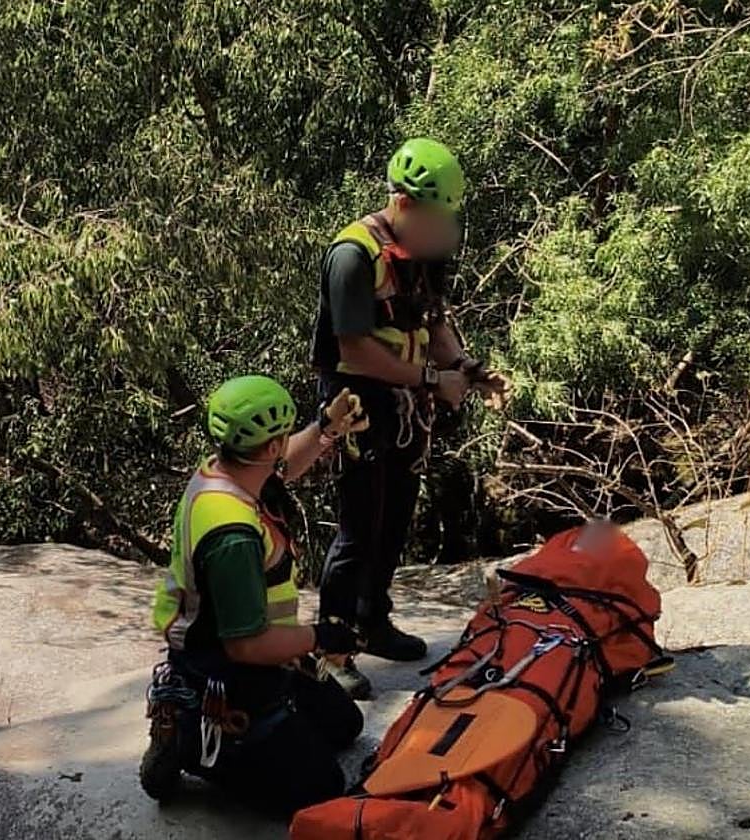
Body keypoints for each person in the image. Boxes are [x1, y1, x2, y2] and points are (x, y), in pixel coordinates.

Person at [310, 137, 507, 698]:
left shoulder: (419, 253)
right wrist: (429, 380)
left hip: (403, 408)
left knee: (395, 517)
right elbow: (352, 350)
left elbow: (433, 323)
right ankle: (332, 648)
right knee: (358, 526)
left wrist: (468, 369)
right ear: (405, 203)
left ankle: (373, 620)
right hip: (357, 406)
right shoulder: (354, 255)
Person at [143, 374, 371, 817]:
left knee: (345, 726)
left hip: (262, 658)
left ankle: (260, 735)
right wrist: (321, 635)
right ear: (267, 447)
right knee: (322, 787)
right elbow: (245, 645)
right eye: (282, 438)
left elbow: (284, 466)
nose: (285, 446)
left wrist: (327, 427)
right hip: (226, 675)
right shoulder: (232, 536)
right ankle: (189, 743)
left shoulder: (228, 472)